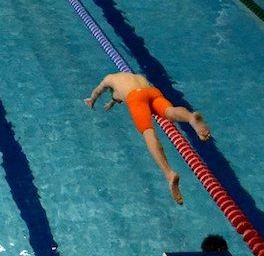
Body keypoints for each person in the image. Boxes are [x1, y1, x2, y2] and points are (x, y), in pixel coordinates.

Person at [85, 72, 211, 204]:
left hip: (136, 98)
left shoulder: (109, 79)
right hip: (152, 92)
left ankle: (169, 174)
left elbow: (97, 91)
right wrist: (112, 102)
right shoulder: (136, 76)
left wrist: (91, 101)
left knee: (148, 133)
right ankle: (191, 118)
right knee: (170, 111)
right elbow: (117, 96)